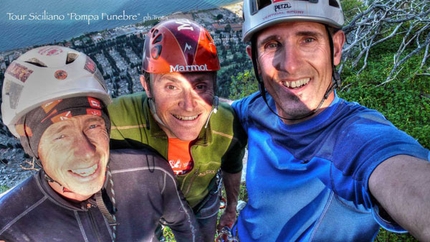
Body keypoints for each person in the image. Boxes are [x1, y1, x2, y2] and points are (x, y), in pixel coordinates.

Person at [231, 0, 430, 241]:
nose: (291, 65)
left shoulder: (355, 138)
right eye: (272, 45)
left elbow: (398, 171)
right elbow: (225, 109)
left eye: (308, 40)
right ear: (254, 58)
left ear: (335, 48)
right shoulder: (257, 107)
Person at [0, 45, 200, 241]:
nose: (87, 152)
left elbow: (183, 223)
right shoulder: (11, 228)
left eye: (93, 126)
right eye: (61, 136)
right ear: (33, 146)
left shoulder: (151, 172)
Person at [107, 18, 247, 241]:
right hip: (145, 206)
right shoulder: (116, 120)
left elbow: (232, 165)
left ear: (215, 88)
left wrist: (231, 208)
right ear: (147, 87)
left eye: (200, 86)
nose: (189, 105)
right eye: (171, 87)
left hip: (201, 201)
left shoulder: (227, 127)